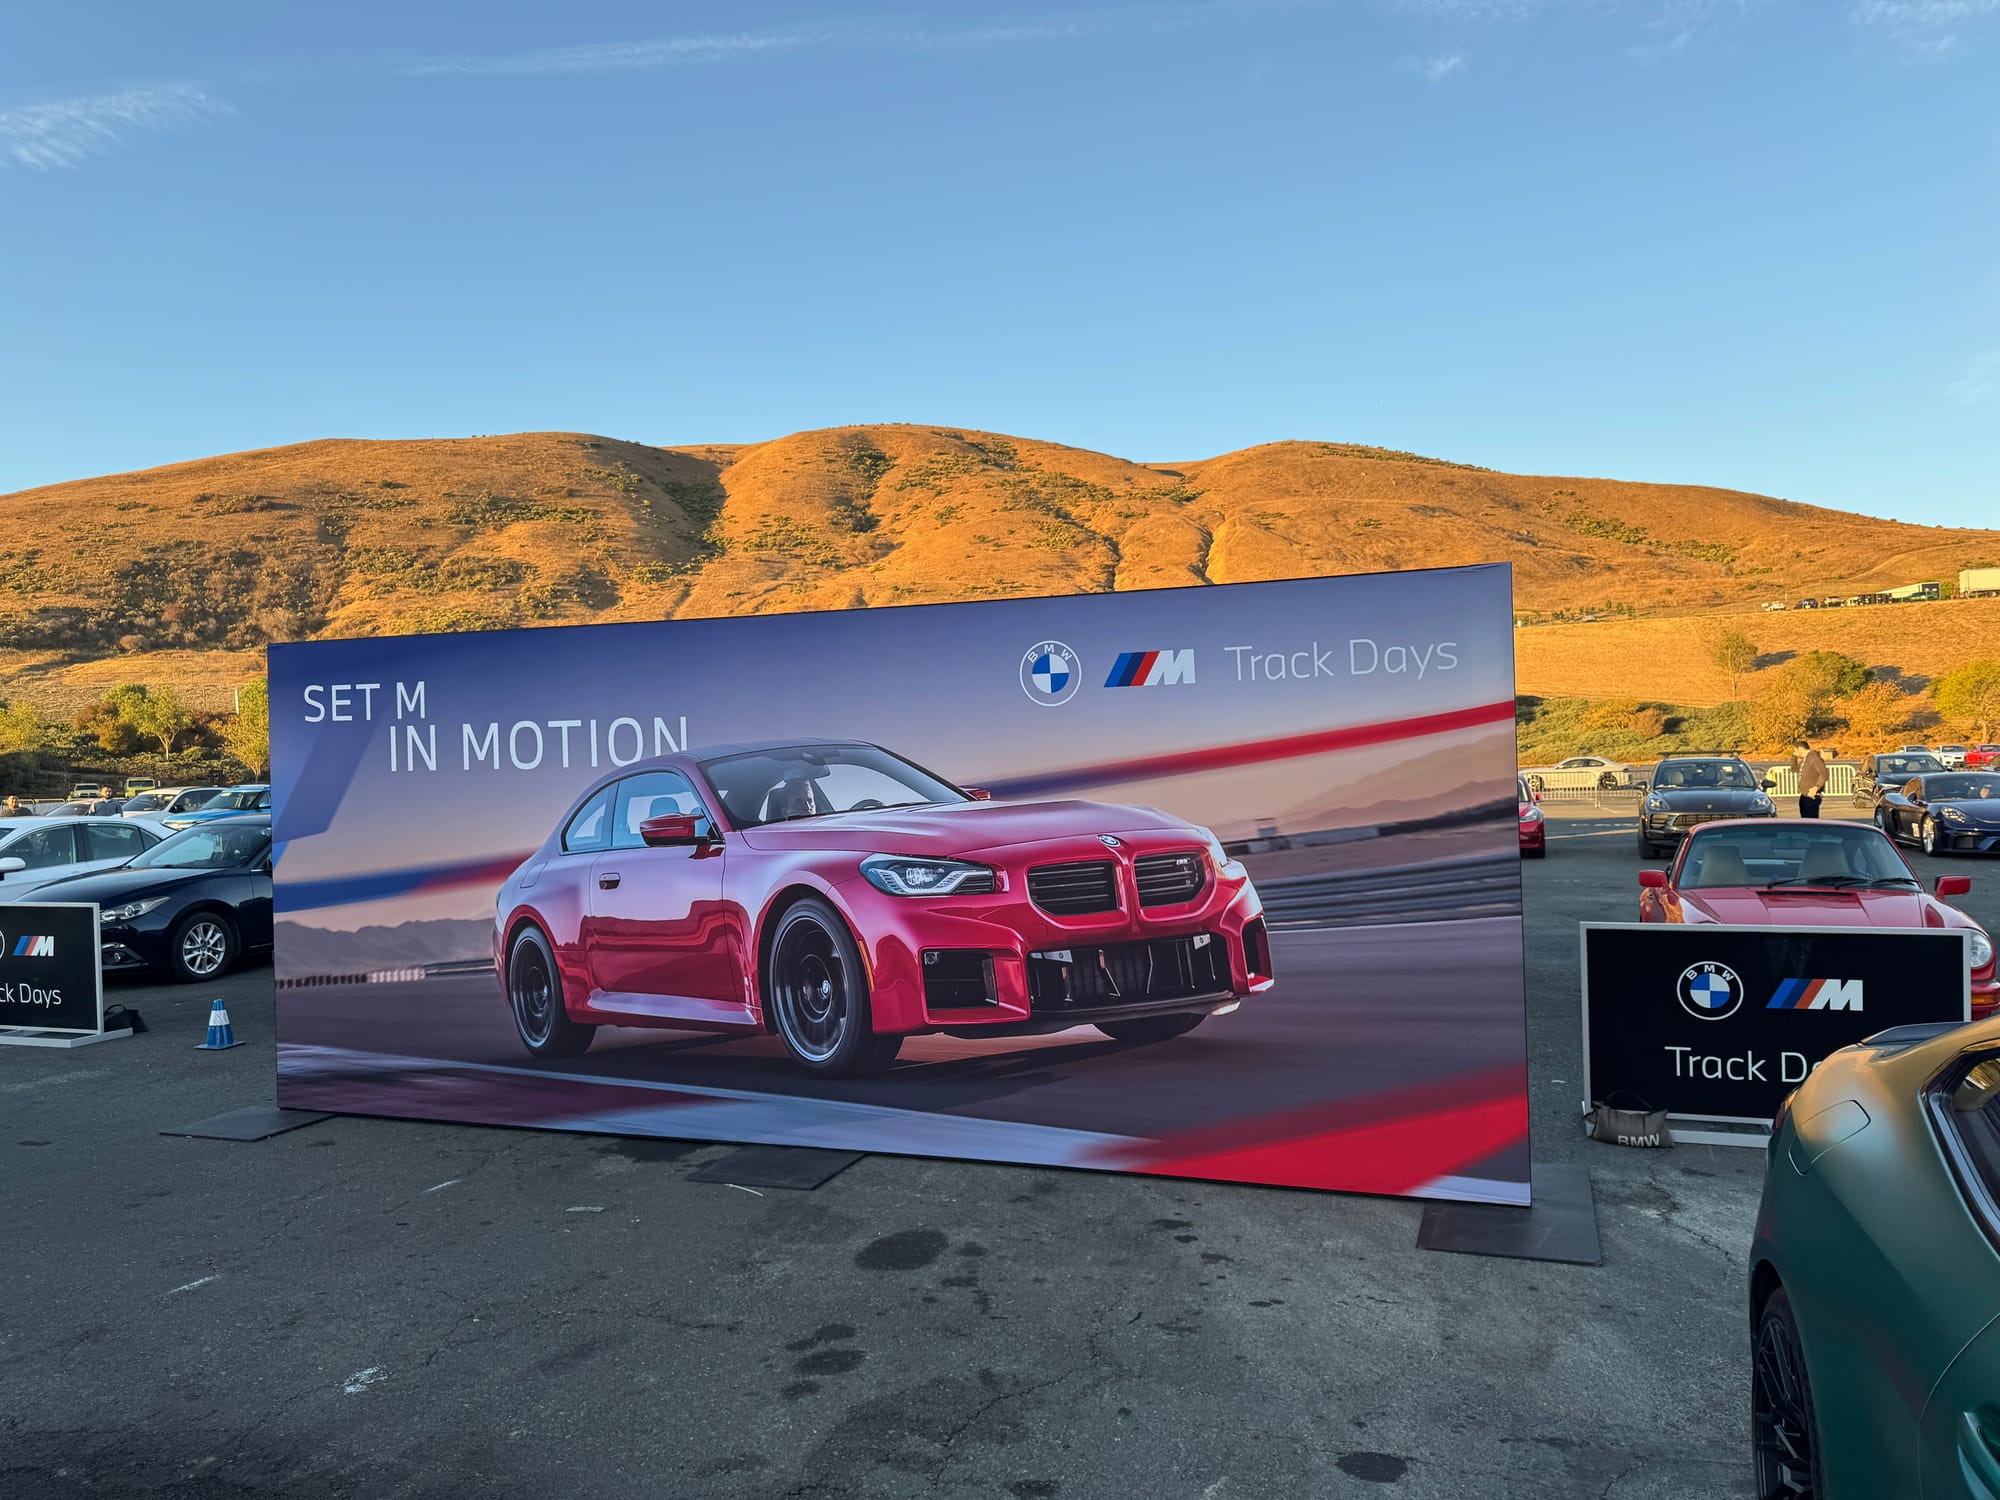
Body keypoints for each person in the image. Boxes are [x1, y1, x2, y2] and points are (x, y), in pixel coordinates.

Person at [1792, 740, 1828, 819]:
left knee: (1811, 819)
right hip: (1804, 795)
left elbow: (1824, 774)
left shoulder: (1814, 758)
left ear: (1800, 749)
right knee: (1805, 819)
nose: (1795, 752)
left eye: (1796, 750)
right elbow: (1794, 769)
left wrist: (1816, 787)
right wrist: (1794, 757)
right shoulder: (1805, 760)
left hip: (1812, 795)